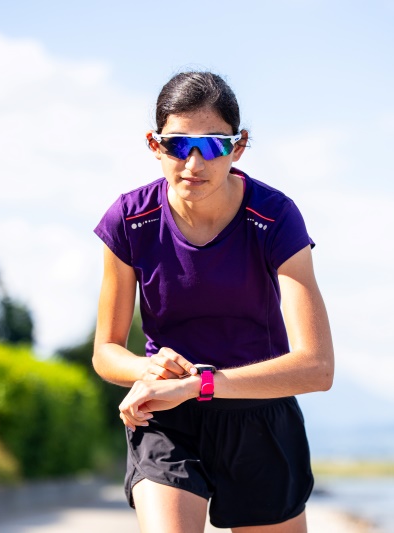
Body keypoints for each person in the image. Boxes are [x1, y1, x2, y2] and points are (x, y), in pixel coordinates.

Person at [92, 71, 334, 533]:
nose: (195, 163)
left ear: (238, 147)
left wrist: (198, 383)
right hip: (168, 419)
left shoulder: (276, 218)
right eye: (179, 145)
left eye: (215, 144)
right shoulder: (128, 219)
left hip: (261, 418)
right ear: (153, 144)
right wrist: (149, 372)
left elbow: (318, 367)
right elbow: (106, 351)